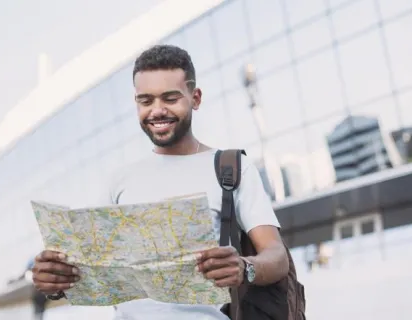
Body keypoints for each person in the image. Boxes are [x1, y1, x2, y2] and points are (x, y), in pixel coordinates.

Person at [32, 45, 289, 320]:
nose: (157, 111)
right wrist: (54, 281)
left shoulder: (232, 168)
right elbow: (90, 271)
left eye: (170, 98)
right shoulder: (119, 180)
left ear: (195, 98)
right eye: (146, 101)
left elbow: (277, 257)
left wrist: (244, 267)